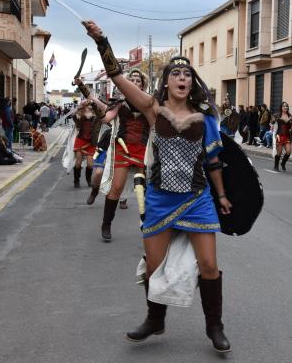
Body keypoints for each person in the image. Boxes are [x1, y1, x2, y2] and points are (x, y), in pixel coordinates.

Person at [84, 20, 232, 353]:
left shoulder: (206, 117)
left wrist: (221, 195)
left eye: (188, 75)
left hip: (197, 198)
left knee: (208, 265)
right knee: (153, 266)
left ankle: (214, 326)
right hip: (160, 199)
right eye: (176, 74)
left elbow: (213, 162)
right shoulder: (152, 110)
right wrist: (102, 40)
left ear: (192, 83)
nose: (183, 78)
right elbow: (118, 79)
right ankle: (155, 319)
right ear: (165, 82)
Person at [98, 69, 152, 241]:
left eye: (138, 80)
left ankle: (150, 227)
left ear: (143, 84)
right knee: (117, 188)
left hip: (143, 151)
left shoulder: (149, 102)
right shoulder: (120, 102)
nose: (135, 82)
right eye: (132, 80)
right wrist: (98, 111)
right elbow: (107, 118)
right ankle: (106, 224)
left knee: (145, 191)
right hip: (123, 148)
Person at [72, 77, 121, 191]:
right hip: (81, 139)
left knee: (90, 164)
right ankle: (76, 180)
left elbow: (107, 119)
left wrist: (115, 129)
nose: (89, 104)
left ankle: (88, 180)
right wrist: (78, 109)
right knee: (78, 162)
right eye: (88, 103)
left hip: (91, 141)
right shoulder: (81, 111)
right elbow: (75, 119)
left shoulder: (97, 113)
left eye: (91, 103)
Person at [271, 101, 292, 171]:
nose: (285, 107)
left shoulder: (291, 116)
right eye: (284, 106)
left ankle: (283, 163)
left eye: (286, 106)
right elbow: (272, 123)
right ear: (281, 108)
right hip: (279, 136)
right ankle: (276, 166)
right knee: (278, 153)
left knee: (289, 151)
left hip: (287, 136)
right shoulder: (277, 115)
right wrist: (273, 122)